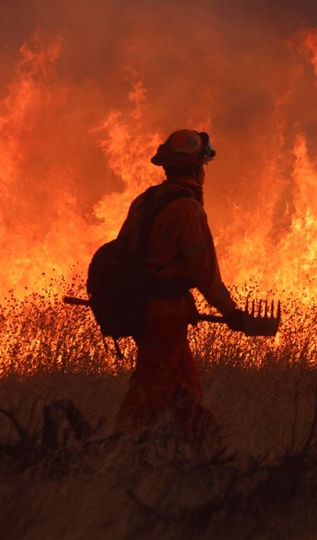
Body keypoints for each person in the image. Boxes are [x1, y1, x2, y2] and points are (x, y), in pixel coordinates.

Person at [115, 129, 245, 447]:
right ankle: (117, 450)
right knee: (152, 388)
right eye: (202, 167)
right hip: (164, 314)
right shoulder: (187, 210)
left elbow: (123, 252)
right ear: (196, 170)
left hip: (142, 309)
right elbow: (204, 272)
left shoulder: (144, 202)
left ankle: (205, 451)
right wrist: (232, 312)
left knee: (183, 388)